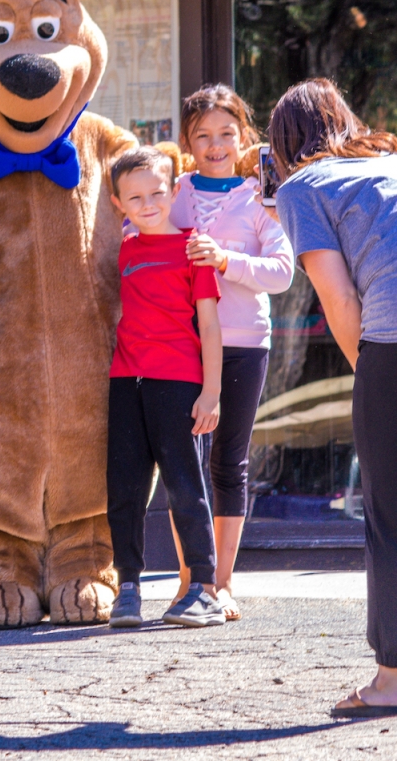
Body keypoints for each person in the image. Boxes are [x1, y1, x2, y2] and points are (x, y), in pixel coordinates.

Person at [270, 78, 397, 717]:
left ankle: (392, 681)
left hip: (393, 341)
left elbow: (339, 298)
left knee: (390, 518)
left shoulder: (302, 188)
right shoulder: (391, 164)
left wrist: (367, 372)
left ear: (283, 142)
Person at [168, 85, 294, 620]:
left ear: (244, 137)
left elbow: (283, 272)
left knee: (228, 465)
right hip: (181, 349)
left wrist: (225, 259)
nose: (215, 144)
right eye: (203, 135)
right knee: (183, 466)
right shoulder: (172, 192)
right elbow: (142, 239)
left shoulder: (261, 197)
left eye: (226, 133)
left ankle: (220, 583)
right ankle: (187, 582)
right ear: (187, 142)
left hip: (244, 346)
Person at [106, 146, 225, 629]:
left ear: (175, 191)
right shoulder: (127, 249)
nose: (148, 203)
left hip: (178, 382)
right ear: (118, 203)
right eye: (134, 197)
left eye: (157, 192)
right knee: (125, 488)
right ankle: (128, 586)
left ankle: (204, 589)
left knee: (184, 485)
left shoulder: (194, 246)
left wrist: (212, 391)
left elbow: (210, 326)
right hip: (124, 381)